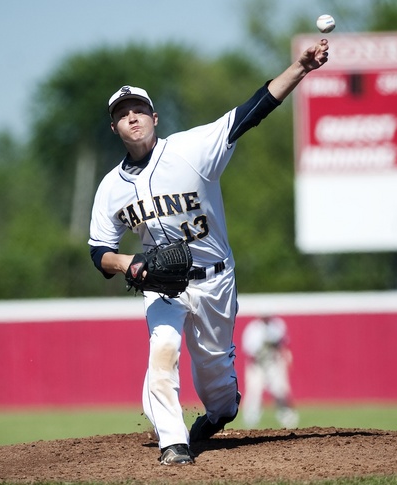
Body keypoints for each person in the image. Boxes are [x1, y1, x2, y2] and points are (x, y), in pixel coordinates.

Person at [87, 39, 329, 466]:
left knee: (215, 381)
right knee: (162, 350)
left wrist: (301, 67)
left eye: (138, 109)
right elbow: (99, 252)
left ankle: (222, 409)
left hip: (215, 280)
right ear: (114, 128)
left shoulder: (192, 149)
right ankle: (174, 443)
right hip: (164, 288)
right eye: (122, 114)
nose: (132, 117)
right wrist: (130, 263)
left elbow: (254, 109)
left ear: (154, 117)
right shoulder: (110, 188)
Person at [241, 315, 299, 429]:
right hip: (256, 364)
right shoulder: (253, 329)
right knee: (254, 392)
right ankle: (250, 422)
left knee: (280, 390)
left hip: (273, 363)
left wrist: (285, 355)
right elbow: (249, 349)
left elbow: (282, 344)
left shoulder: (277, 325)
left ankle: (288, 418)